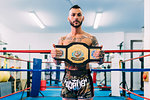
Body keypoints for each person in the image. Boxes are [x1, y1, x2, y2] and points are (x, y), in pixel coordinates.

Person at [51, 5, 104, 100]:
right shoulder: (62, 39)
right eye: (73, 15)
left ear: (82, 18)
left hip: (85, 78)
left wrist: (101, 56)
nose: (76, 17)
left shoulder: (91, 38)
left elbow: (100, 61)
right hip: (68, 78)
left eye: (79, 15)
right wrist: (54, 57)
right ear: (68, 18)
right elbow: (57, 63)